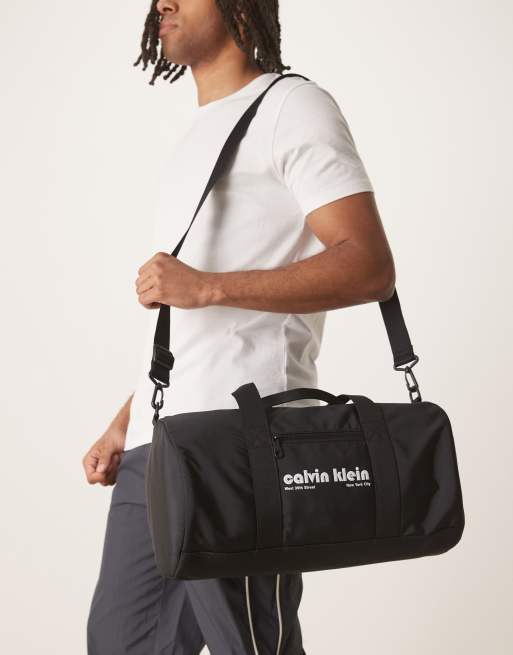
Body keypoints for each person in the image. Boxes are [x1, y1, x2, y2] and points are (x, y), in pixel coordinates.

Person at [83, 1, 396, 653]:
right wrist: (127, 417)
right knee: (119, 641)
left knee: (248, 643)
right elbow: (199, 325)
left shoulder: (292, 107)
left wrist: (207, 286)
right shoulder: (196, 134)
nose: (163, 3)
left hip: (241, 441)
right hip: (158, 442)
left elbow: (368, 265)